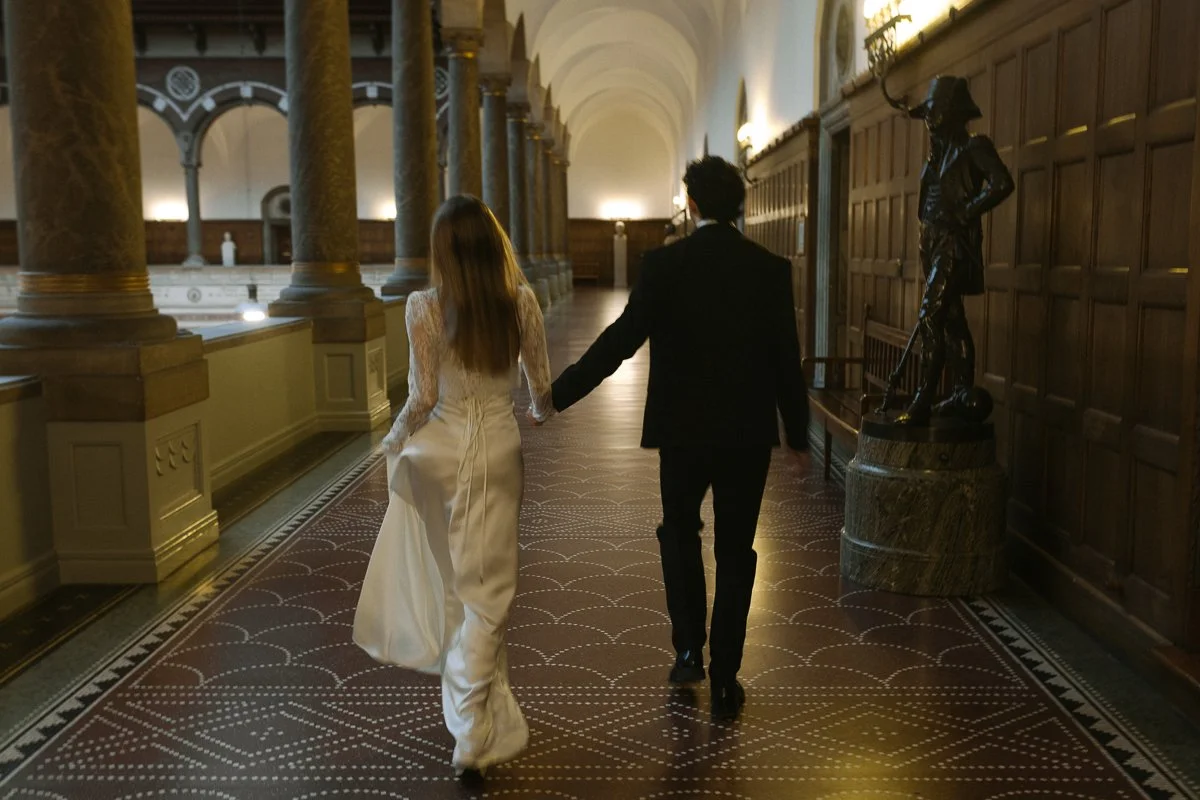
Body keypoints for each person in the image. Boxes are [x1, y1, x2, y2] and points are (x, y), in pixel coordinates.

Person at [544, 156, 810, 721]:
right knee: (737, 548)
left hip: (682, 433)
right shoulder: (769, 269)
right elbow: (787, 358)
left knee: (679, 532)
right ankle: (726, 676)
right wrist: (800, 438)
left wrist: (559, 393)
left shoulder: (664, 265)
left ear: (690, 204)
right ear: (740, 204)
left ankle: (689, 646)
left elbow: (621, 339)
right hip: (746, 434)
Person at [354, 195, 553, 783]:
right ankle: (469, 733)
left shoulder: (423, 307)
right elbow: (539, 389)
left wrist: (392, 443)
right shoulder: (520, 303)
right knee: (489, 593)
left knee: (454, 583)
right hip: (495, 451)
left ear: (442, 252)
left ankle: (469, 705)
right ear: (496, 246)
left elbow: (420, 397)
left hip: (435, 455)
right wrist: (541, 407)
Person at [896, 75, 1013, 425]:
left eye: (935, 113)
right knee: (951, 320)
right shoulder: (935, 157)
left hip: (953, 245)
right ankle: (962, 391)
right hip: (930, 242)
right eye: (928, 114)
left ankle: (922, 399)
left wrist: (969, 209)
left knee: (930, 315)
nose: (929, 121)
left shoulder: (975, 147)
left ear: (952, 113)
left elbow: (1002, 183)